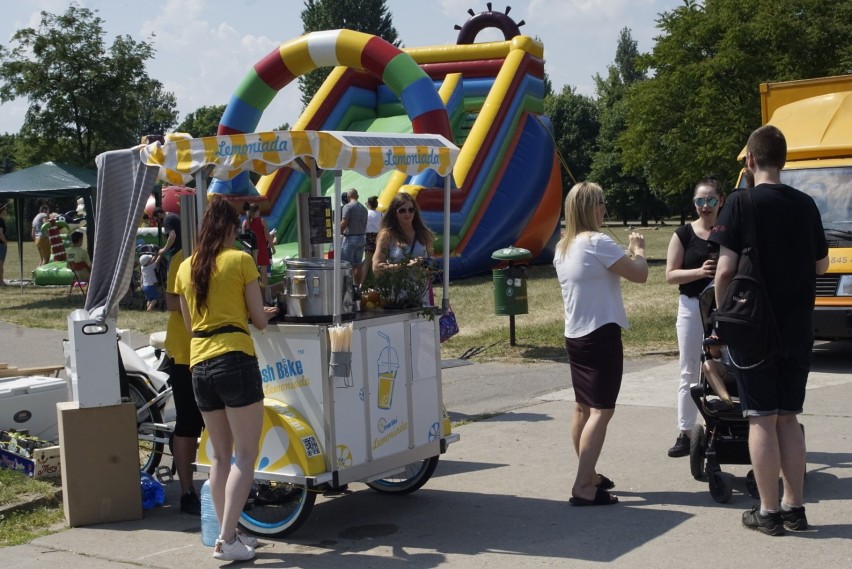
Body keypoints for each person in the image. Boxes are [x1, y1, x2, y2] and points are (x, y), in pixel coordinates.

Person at [710, 125, 829, 536]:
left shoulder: (740, 204)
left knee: (761, 418)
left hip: (754, 329)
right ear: (784, 159)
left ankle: (768, 511)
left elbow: (724, 270)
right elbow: (822, 266)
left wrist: (723, 315)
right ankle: (796, 509)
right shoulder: (807, 205)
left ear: (751, 160)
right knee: (789, 419)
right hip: (798, 327)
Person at [175, 196, 278, 561]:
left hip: (199, 364)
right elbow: (260, 321)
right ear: (231, 228)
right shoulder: (240, 260)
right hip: (234, 358)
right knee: (245, 456)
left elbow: (191, 327)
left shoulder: (186, 267)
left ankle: (227, 536)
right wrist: (261, 312)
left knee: (220, 457)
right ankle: (227, 539)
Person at [553, 182, 648, 507]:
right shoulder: (598, 242)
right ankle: (583, 484)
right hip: (600, 335)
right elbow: (639, 274)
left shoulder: (562, 246)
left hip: (575, 336)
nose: (605, 209)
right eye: (601, 203)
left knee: (582, 407)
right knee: (602, 411)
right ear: (588, 208)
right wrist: (639, 249)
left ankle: (589, 473)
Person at [664, 177, 724, 457]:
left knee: (727, 367)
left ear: (721, 201)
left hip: (723, 309)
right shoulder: (683, 234)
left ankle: (724, 427)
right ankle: (686, 432)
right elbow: (670, 275)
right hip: (691, 307)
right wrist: (700, 272)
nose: (705, 206)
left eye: (711, 200)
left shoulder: (729, 232)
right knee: (689, 369)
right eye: (700, 201)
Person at [163, 249, 204, 515]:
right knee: (188, 422)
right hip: (185, 352)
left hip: (218, 349)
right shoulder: (182, 258)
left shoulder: (235, 253)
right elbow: (169, 300)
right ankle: (187, 491)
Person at [372, 193, 435, 305]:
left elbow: (430, 261)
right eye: (402, 210)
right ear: (394, 213)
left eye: (411, 210)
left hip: (422, 295)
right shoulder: (387, 235)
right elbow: (376, 268)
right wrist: (406, 266)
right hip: (397, 296)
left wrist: (428, 266)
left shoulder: (424, 233)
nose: (407, 213)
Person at [241, 204, 274, 303]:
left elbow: (244, 238)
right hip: (262, 248)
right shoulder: (262, 221)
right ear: (256, 212)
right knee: (264, 273)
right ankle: (266, 296)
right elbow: (267, 235)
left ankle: (254, 295)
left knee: (252, 273)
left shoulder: (245, 222)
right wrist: (272, 247)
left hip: (251, 250)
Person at [340, 188, 368, 287]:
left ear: (348, 197)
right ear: (357, 196)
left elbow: (344, 223)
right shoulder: (364, 209)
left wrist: (338, 231)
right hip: (361, 238)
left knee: (347, 265)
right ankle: (357, 287)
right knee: (358, 264)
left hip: (350, 238)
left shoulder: (348, 206)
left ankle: (348, 287)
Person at [363, 196, 382, 287]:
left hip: (369, 237)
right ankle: (378, 285)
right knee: (378, 262)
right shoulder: (381, 214)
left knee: (367, 263)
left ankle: (360, 284)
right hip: (379, 238)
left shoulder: (366, 214)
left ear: (369, 204)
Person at [0, 202, 8, 286]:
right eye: (5, 209)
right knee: (0, 264)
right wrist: (5, 242)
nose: (6, 211)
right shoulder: (0, 221)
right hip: (1, 245)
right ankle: (1, 282)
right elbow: (0, 233)